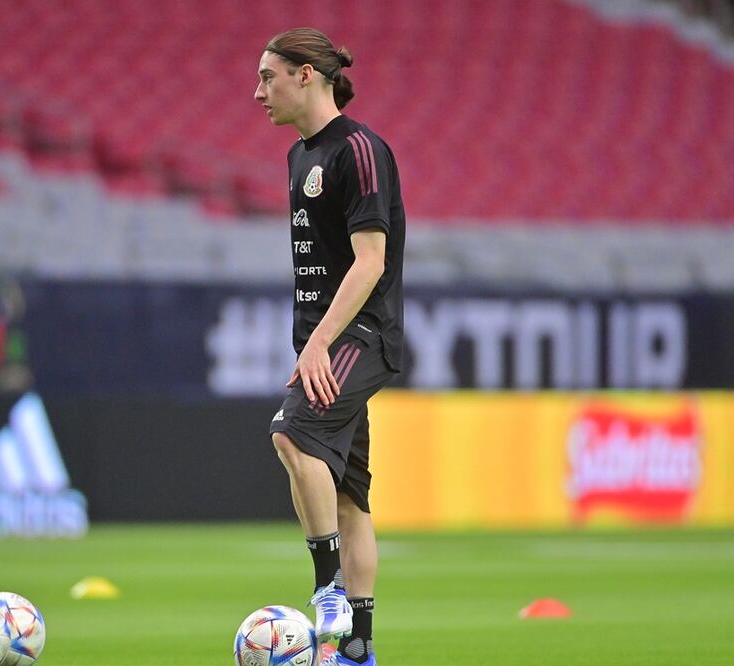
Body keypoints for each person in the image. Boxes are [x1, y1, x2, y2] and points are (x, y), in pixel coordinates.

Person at [254, 27, 406, 666]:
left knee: (291, 433)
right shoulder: (298, 157)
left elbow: (370, 261)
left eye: (268, 76)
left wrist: (318, 343)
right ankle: (359, 649)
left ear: (306, 74)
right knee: (348, 494)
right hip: (322, 336)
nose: (257, 90)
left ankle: (328, 593)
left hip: (359, 332)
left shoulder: (361, 150)